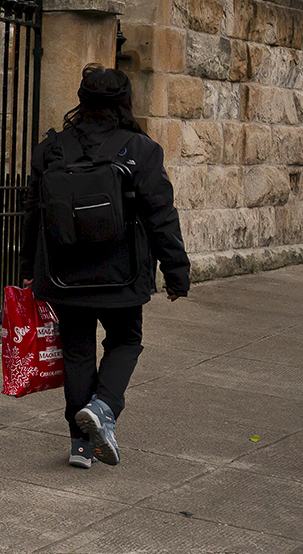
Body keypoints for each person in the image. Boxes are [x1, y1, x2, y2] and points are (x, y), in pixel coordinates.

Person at [21, 63, 190, 468]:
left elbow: (32, 214)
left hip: (64, 273)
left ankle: (81, 447)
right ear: (123, 103)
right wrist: (176, 271)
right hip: (122, 272)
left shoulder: (51, 149)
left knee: (77, 352)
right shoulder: (140, 150)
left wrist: (28, 266)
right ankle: (104, 407)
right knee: (126, 340)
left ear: (82, 101)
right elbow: (161, 215)